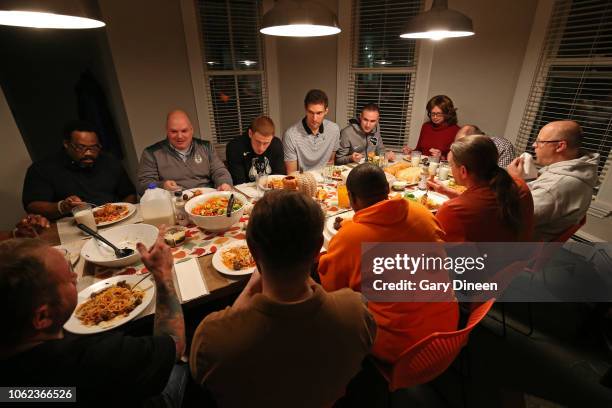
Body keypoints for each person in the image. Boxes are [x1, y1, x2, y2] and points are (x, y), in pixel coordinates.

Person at [190, 190, 376, 407]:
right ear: (318, 249)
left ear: (252, 251)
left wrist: (250, 287)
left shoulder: (212, 338)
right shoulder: (356, 312)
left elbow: (198, 375)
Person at [0, 232, 188, 407]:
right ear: (43, 317)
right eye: (69, 278)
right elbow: (174, 344)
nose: (75, 277)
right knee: (179, 367)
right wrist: (163, 274)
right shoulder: (94, 357)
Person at [318, 164, 458, 364]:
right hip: (448, 331)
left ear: (351, 197)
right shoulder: (423, 213)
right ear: (388, 190)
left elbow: (332, 289)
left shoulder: (349, 238)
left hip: (402, 349)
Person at [428, 135, 534, 242]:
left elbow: (431, 247)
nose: (451, 168)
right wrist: (447, 192)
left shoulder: (452, 210)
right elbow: (486, 206)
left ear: (463, 171)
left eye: (451, 165)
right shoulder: (519, 185)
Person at [22, 120, 136, 219]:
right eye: (81, 147)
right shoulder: (43, 168)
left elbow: (129, 193)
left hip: (115, 218)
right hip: (70, 224)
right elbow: (32, 206)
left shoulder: (110, 161)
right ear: (66, 144)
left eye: (94, 147)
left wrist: (121, 213)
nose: (89, 153)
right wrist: (62, 206)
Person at [507, 120, 599, 241]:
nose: (534, 145)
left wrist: (514, 180)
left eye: (540, 141)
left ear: (560, 146)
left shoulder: (556, 186)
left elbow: (511, 219)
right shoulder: (578, 168)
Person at [138, 109, 232, 194]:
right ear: (167, 131)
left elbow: (219, 171)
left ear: (191, 130)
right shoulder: (151, 153)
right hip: (173, 202)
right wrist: (162, 186)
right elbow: (143, 185)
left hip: (207, 199)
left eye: (184, 131)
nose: (179, 136)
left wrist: (224, 183)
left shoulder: (206, 147)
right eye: (174, 131)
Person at [283, 89, 340, 172]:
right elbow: (292, 175)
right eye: (311, 112)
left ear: (326, 111)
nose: (314, 118)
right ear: (305, 110)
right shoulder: (290, 135)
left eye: (319, 113)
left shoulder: (334, 130)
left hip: (326, 181)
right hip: (302, 181)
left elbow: (330, 163)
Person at [226, 115, 285, 184]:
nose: (261, 148)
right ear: (250, 133)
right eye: (257, 141)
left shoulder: (276, 144)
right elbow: (239, 183)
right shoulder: (235, 147)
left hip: (271, 191)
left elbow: (278, 177)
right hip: (245, 190)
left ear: (272, 138)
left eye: (266, 143)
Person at [403, 95, 460, 159]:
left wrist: (441, 157)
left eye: (439, 114)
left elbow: (457, 160)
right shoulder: (426, 127)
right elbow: (419, 150)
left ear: (447, 113)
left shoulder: (456, 131)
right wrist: (411, 152)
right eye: (432, 113)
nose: (435, 117)